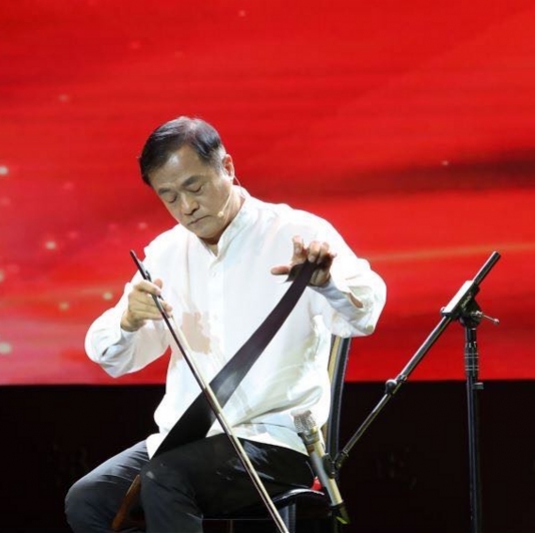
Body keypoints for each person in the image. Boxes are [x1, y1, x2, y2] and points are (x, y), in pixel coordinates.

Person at [65, 116, 387, 533]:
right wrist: (128, 319)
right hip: (183, 442)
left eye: (195, 187)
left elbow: (365, 314)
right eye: (169, 197)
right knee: (88, 500)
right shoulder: (165, 253)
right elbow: (115, 360)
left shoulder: (297, 233)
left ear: (228, 168)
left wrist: (327, 283)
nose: (186, 207)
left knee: (167, 478)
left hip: (274, 441)